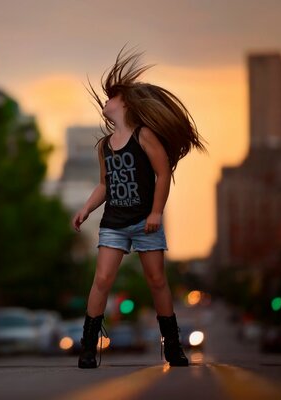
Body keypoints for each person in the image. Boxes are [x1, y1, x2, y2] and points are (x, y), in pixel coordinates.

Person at [72, 47, 207, 368]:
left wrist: (156, 212)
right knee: (102, 279)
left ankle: (172, 346)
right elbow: (105, 184)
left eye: (111, 97)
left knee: (157, 280)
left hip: (145, 222)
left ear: (125, 104)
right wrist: (86, 209)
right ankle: (88, 347)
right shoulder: (104, 145)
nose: (106, 102)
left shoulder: (145, 136)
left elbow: (163, 173)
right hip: (114, 222)